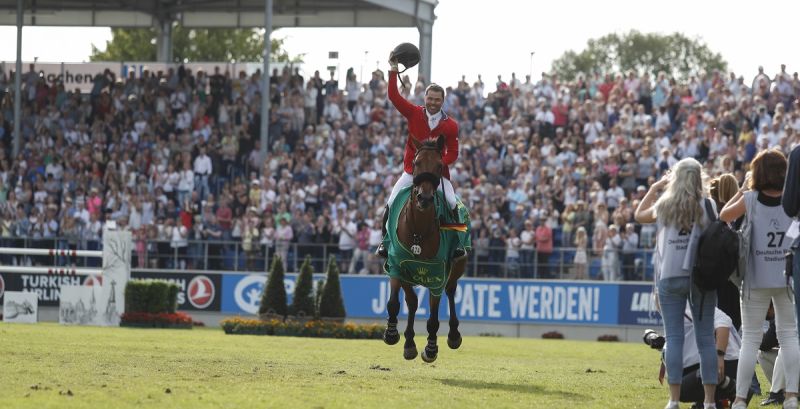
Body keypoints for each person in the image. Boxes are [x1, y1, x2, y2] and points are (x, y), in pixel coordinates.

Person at [634, 158, 719, 409]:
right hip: (701, 275)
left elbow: (639, 215)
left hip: (670, 275)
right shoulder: (708, 204)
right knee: (706, 339)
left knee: (674, 337)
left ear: (676, 177)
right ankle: (710, 401)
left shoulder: (664, 204)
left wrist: (654, 188)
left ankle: (673, 400)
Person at [720, 149, 799, 409]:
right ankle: (791, 397)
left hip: (755, 279)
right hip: (786, 278)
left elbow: (724, 216)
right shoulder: (793, 202)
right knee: (789, 337)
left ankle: (741, 399)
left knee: (750, 341)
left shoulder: (751, 198)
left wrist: (742, 188)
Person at [375, 49, 461, 259]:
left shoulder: (450, 125)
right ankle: (385, 242)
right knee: (391, 201)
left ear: (443, 100)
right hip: (411, 171)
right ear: (425, 98)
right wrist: (393, 70)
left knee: (452, 203)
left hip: (438, 175)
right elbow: (394, 96)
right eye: (430, 98)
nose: (433, 102)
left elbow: (454, 152)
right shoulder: (413, 112)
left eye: (437, 99)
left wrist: (440, 163)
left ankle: (458, 243)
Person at [646, 306, 746, 408]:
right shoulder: (681, 309)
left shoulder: (686, 305)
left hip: (727, 362)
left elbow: (724, 321)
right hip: (719, 361)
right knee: (684, 375)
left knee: (680, 389)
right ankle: (707, 402)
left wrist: (719, 355)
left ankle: (732, 388)